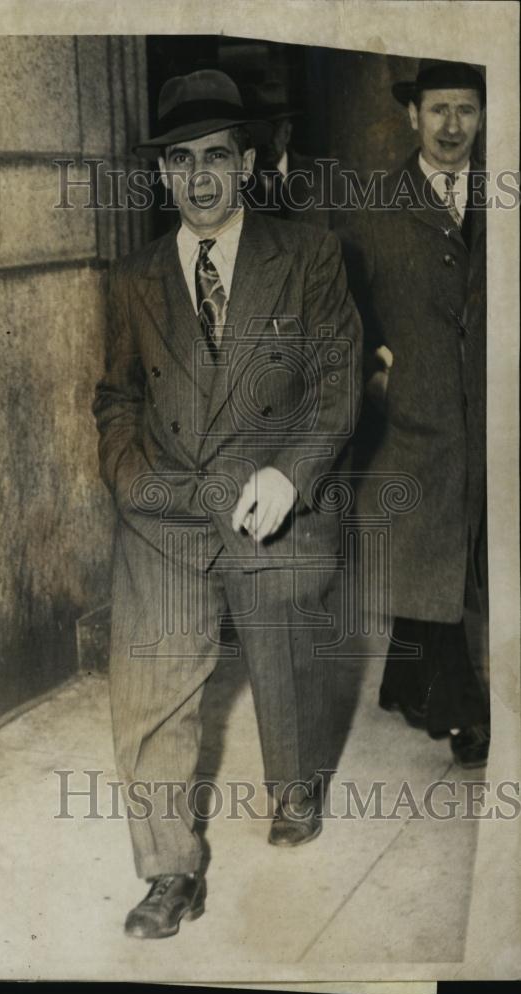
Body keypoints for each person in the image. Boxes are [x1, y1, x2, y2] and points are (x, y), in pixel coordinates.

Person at [93, 69, 362, 939]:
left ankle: (294, 788)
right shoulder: (134, 277)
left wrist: (291, 476)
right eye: (181, 161)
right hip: (167, 503)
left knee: (287, 664)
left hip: (271, 494)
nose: (199, 177)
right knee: (149, 687)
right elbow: (118, 394)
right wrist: (127, 475)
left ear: (247, 161)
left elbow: (335, 382)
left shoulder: (310, 254)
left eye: (217, 156)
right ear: (164, 175)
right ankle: (170, 871)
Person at [340, 59, 489, 768]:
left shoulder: (498, 195)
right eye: (439, 111)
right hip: (412, 417)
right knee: (430, 554)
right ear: (412, 116)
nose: (453, 126)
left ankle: (402, 682)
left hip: (484, 415)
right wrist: (373, 372)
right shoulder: (375, 204)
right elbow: (342, 308)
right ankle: (463, 712)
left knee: (445, 555)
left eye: (466, 110)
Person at [242, 82, 346, 228]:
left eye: (275, 128)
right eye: (261, 129)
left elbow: (349, 238)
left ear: (287, 132)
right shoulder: (236, 184)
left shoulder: (325, 175)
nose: (269, 139)